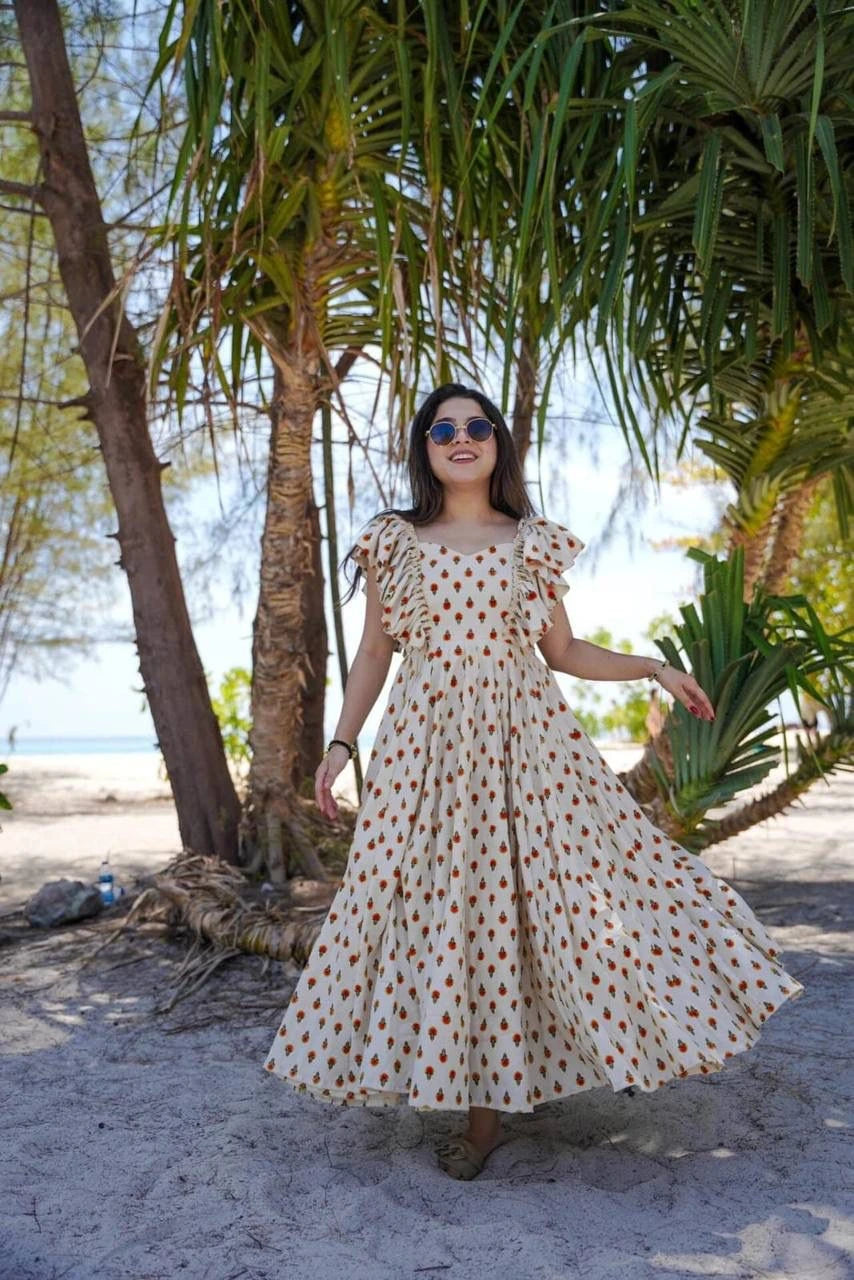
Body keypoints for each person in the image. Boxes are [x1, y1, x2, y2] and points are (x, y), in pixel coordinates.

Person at [263, 383, 805, 1180]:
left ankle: (494, 1110)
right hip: (426, 753)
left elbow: (564, 653)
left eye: (477, 426)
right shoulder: (394, 543)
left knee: (542, 901)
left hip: (529, 751)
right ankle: (460, 1087)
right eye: (443, 428)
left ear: (497, 446)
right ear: (424, 447)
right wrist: (341, 742)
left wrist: (653, 667)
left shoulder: (532, 543)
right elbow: (375, 652)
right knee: (432, 909)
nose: (461, 437)